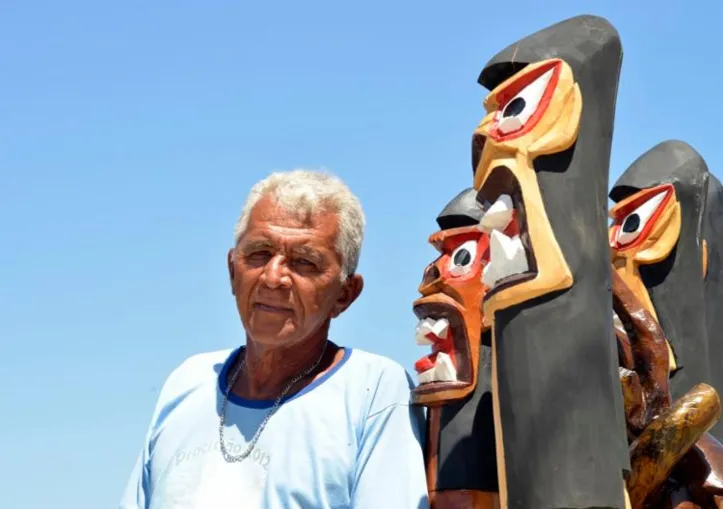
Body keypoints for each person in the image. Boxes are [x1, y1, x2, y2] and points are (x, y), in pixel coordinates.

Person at [120, 169, 429, 508]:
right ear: (232, 271)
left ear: (345, 294)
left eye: (304, 262)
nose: (273, 277)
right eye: (259, 254)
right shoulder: (187, 384)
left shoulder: (373, 392)